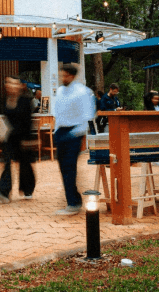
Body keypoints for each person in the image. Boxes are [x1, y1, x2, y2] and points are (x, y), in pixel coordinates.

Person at [53, 64, 95, 215]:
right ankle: (73, 200)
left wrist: (75, 134)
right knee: (63, 169)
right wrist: (56, 131)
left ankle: (73, 203)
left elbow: (87, 117)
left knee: (70, 169)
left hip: (73, 132)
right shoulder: (60, 91)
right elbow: (58, 113)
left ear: (72, 75)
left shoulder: (83, 92)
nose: (62, 78)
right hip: (60, 131)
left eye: (64, 75)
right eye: (61, 75)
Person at [0, 76, 36, 204]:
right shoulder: (4, 101)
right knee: (7, 163)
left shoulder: (26, 101)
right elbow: (5, 118)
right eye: (8, 83)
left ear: (19, 86)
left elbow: (29, 122)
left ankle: (27, 189)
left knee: (25, 164)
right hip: (8, 138)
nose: (10, 85)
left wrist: (29, 139)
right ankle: (3, 193)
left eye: (13, 83)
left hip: (22, 137)